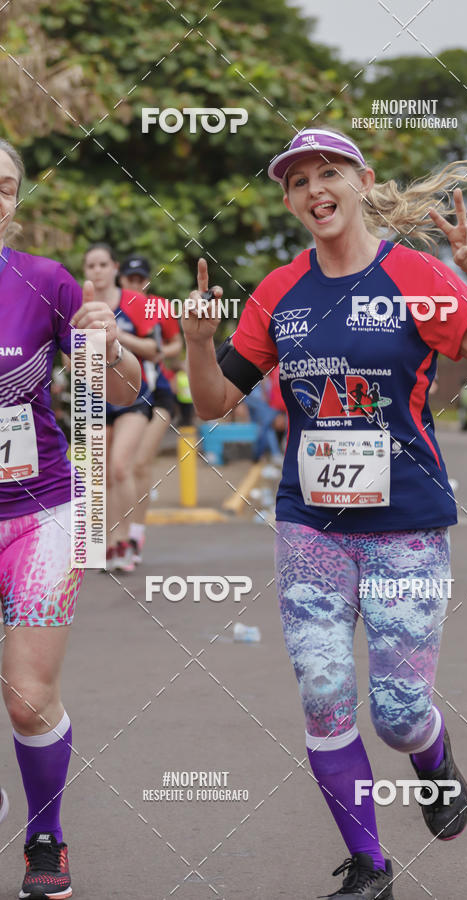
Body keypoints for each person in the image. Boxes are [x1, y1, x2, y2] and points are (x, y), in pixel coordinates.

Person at [183, 127, 467, 898]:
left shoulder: (416, 276)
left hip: (405, 526)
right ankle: (370, 866)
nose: (315, 188)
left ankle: (432, 754)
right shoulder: (278, 292)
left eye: (329, 172)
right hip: (310, 525)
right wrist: (199, 344)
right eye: (298, 179)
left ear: (360, 180)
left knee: (399, 713)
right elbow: (214, 403)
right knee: (322, 686)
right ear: (288, 199)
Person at [0, 139, 140, 899]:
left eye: (7, 187)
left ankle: (45, 836)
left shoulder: (44, 282)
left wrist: (110, 347)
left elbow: (123, 392)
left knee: (25, 695)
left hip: (42, 511)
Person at [83, 245, 160, 571]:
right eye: (91, 265)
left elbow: (155, 350)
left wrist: (115, 339)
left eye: (103, 264)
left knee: (119, 467)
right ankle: (109, 542)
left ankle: (128, 540)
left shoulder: (136, 303)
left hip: (133, 395)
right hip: (95, 398)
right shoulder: (81, 305)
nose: (97, 270)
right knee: (98, 476)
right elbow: (70, 359)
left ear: (114, 267)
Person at [117, 254, 182, 564]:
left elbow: (175, 345)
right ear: (120, 280)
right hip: (120, 395)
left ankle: (135, 534)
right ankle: (118, 534)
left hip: (158, 393)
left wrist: (156, 353)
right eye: (130, 279)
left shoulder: (158, 306)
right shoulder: (109, 308)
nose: (136, 285)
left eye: (141, 279)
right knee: (119, 468)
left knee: (140, 464)